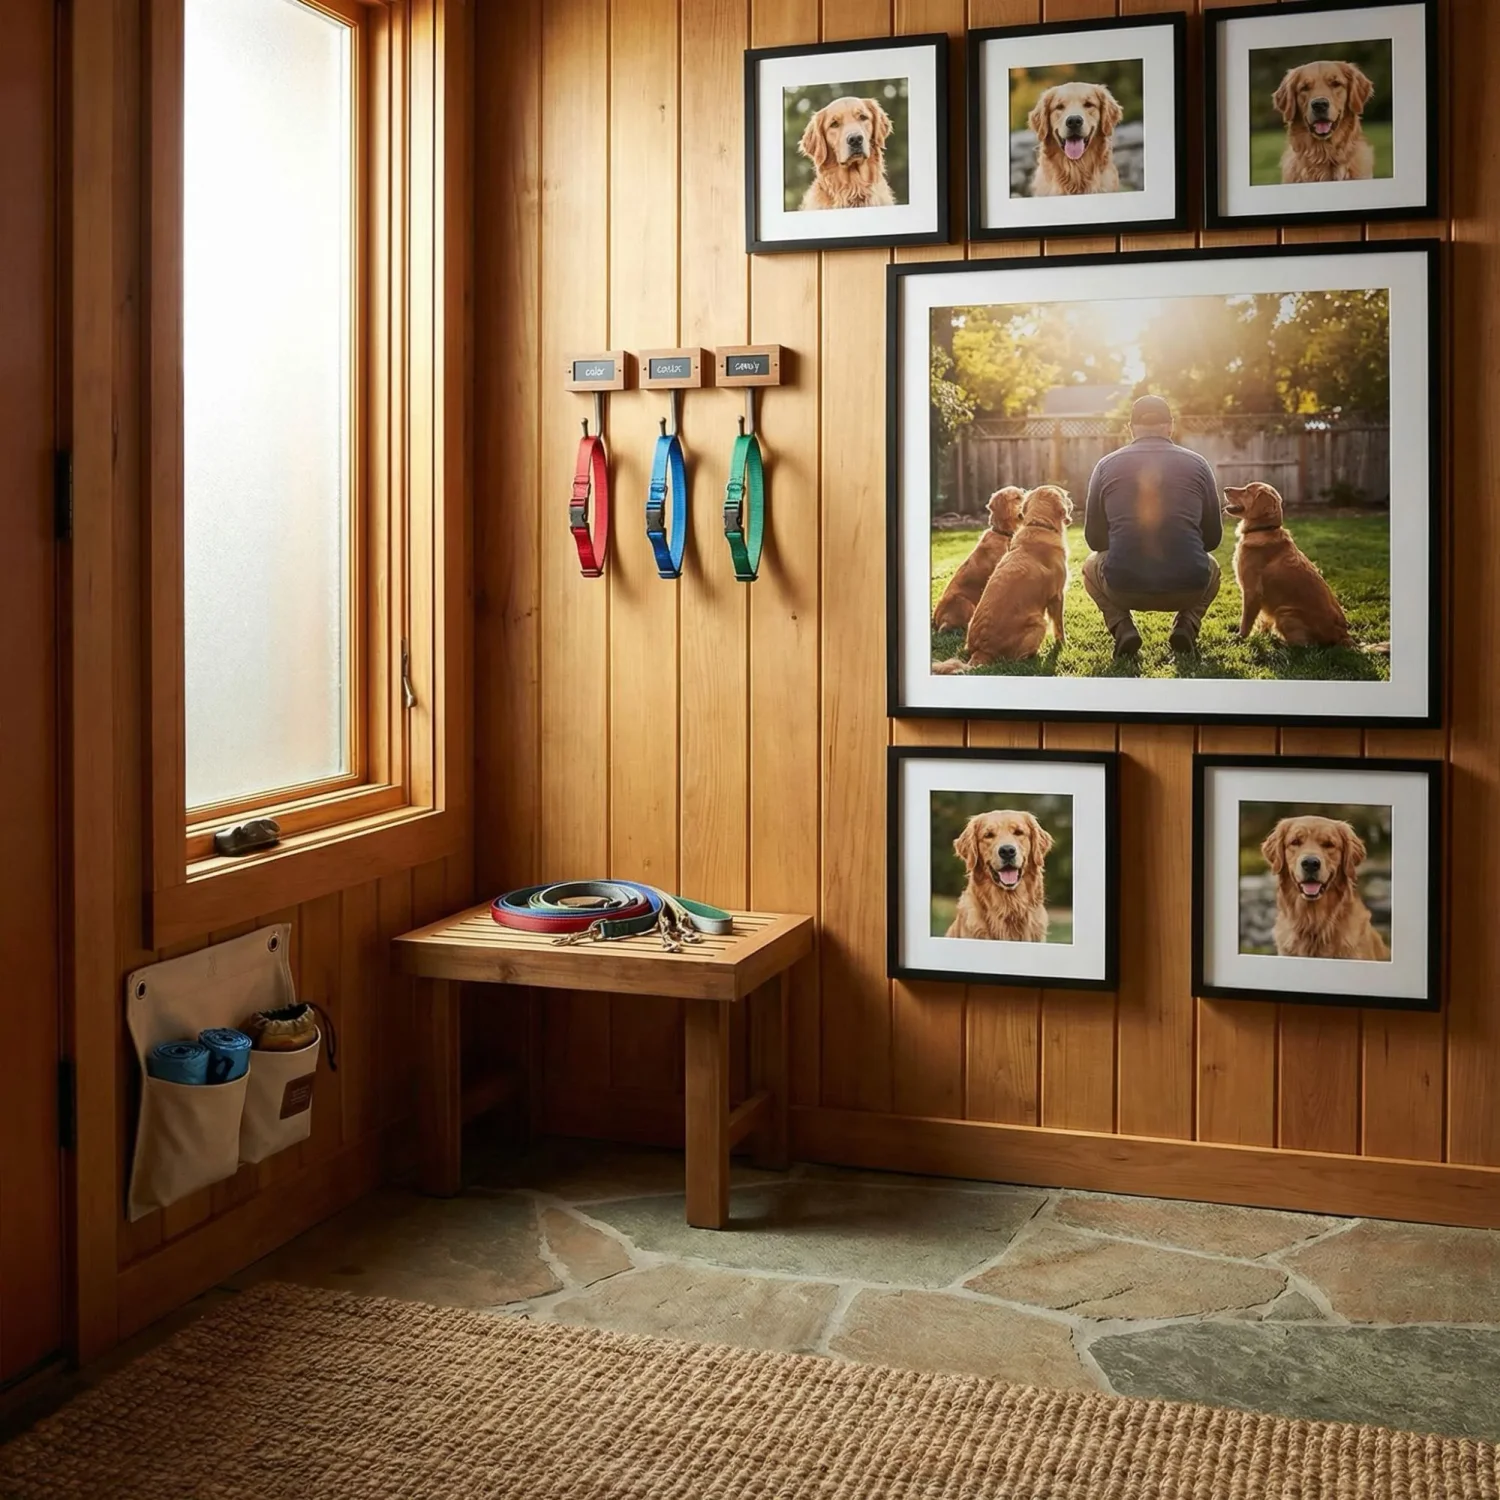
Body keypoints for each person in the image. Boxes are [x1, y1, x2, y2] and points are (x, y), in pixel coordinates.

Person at [1081, 394, 1223, 657]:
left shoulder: (1105, 466)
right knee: (1213, 567)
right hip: (1190, 587)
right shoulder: (1199, 465)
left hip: (1123, 588)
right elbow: (1213, 539)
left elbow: (1095, 540)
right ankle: (1187, 625)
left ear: (1130, 428)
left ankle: (1122, 627)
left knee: (1090, 566)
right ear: (1170, 426)